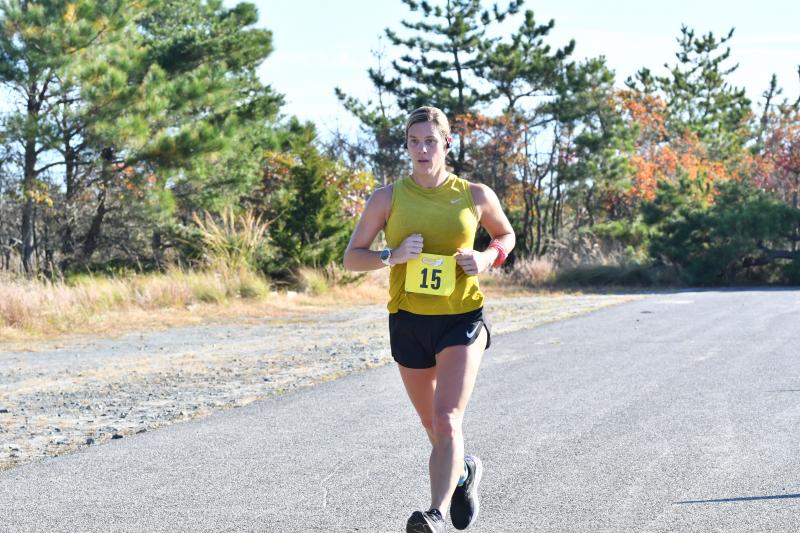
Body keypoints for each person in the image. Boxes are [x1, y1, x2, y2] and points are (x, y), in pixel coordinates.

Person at [343, 106, 515, 533]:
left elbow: (505, 235)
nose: (423, 150)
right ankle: (462, 474)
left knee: (446, 418)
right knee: (430, 424)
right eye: (415, 142)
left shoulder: (474, 195)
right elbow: (351, 258)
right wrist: (391, 255)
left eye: (431, 141)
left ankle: (435, 514)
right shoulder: (387, 198)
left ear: (447, 144)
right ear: (407, 146)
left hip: (461, 319)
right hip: (408, 320)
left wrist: (485, 257)